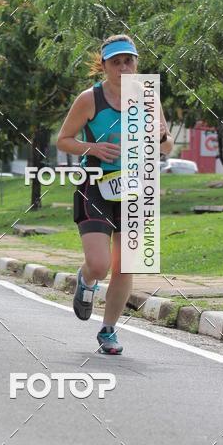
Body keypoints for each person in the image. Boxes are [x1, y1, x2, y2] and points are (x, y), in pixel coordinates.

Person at [57, 34, 174, 354]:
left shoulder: (148, 97)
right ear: (105, 66)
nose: (124, 67)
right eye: (116, 61)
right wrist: (92, 147)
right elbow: (63, 141)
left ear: (137, 63)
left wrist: (160, 134)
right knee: (99, 264)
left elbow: (166, 147)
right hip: (95, 182)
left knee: (126, 265)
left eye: (129, 60)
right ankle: (86, 279)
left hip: (136, 186)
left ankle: (108, 330)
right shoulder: (89, 99)